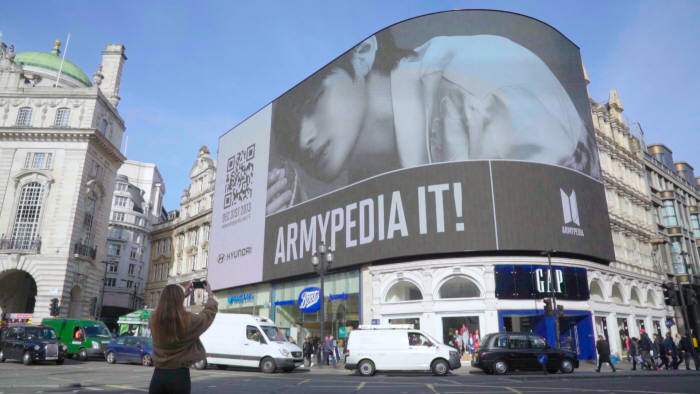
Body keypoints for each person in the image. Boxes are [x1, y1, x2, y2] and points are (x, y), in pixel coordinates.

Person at [267, 29, 599, 213]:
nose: (304, 139)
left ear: (364, 54)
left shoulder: (471, 89)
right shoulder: (369, 169)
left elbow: (532, 232)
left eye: (310, 105)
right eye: (289, 136)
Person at [149, 282, 217, 394]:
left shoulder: (153, 319)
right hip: (179, 376)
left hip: (158, 375)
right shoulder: (189, 321)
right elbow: (208, 314)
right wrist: (210, 295)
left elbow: (161, 309)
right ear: (179, 300)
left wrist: (183, 296)